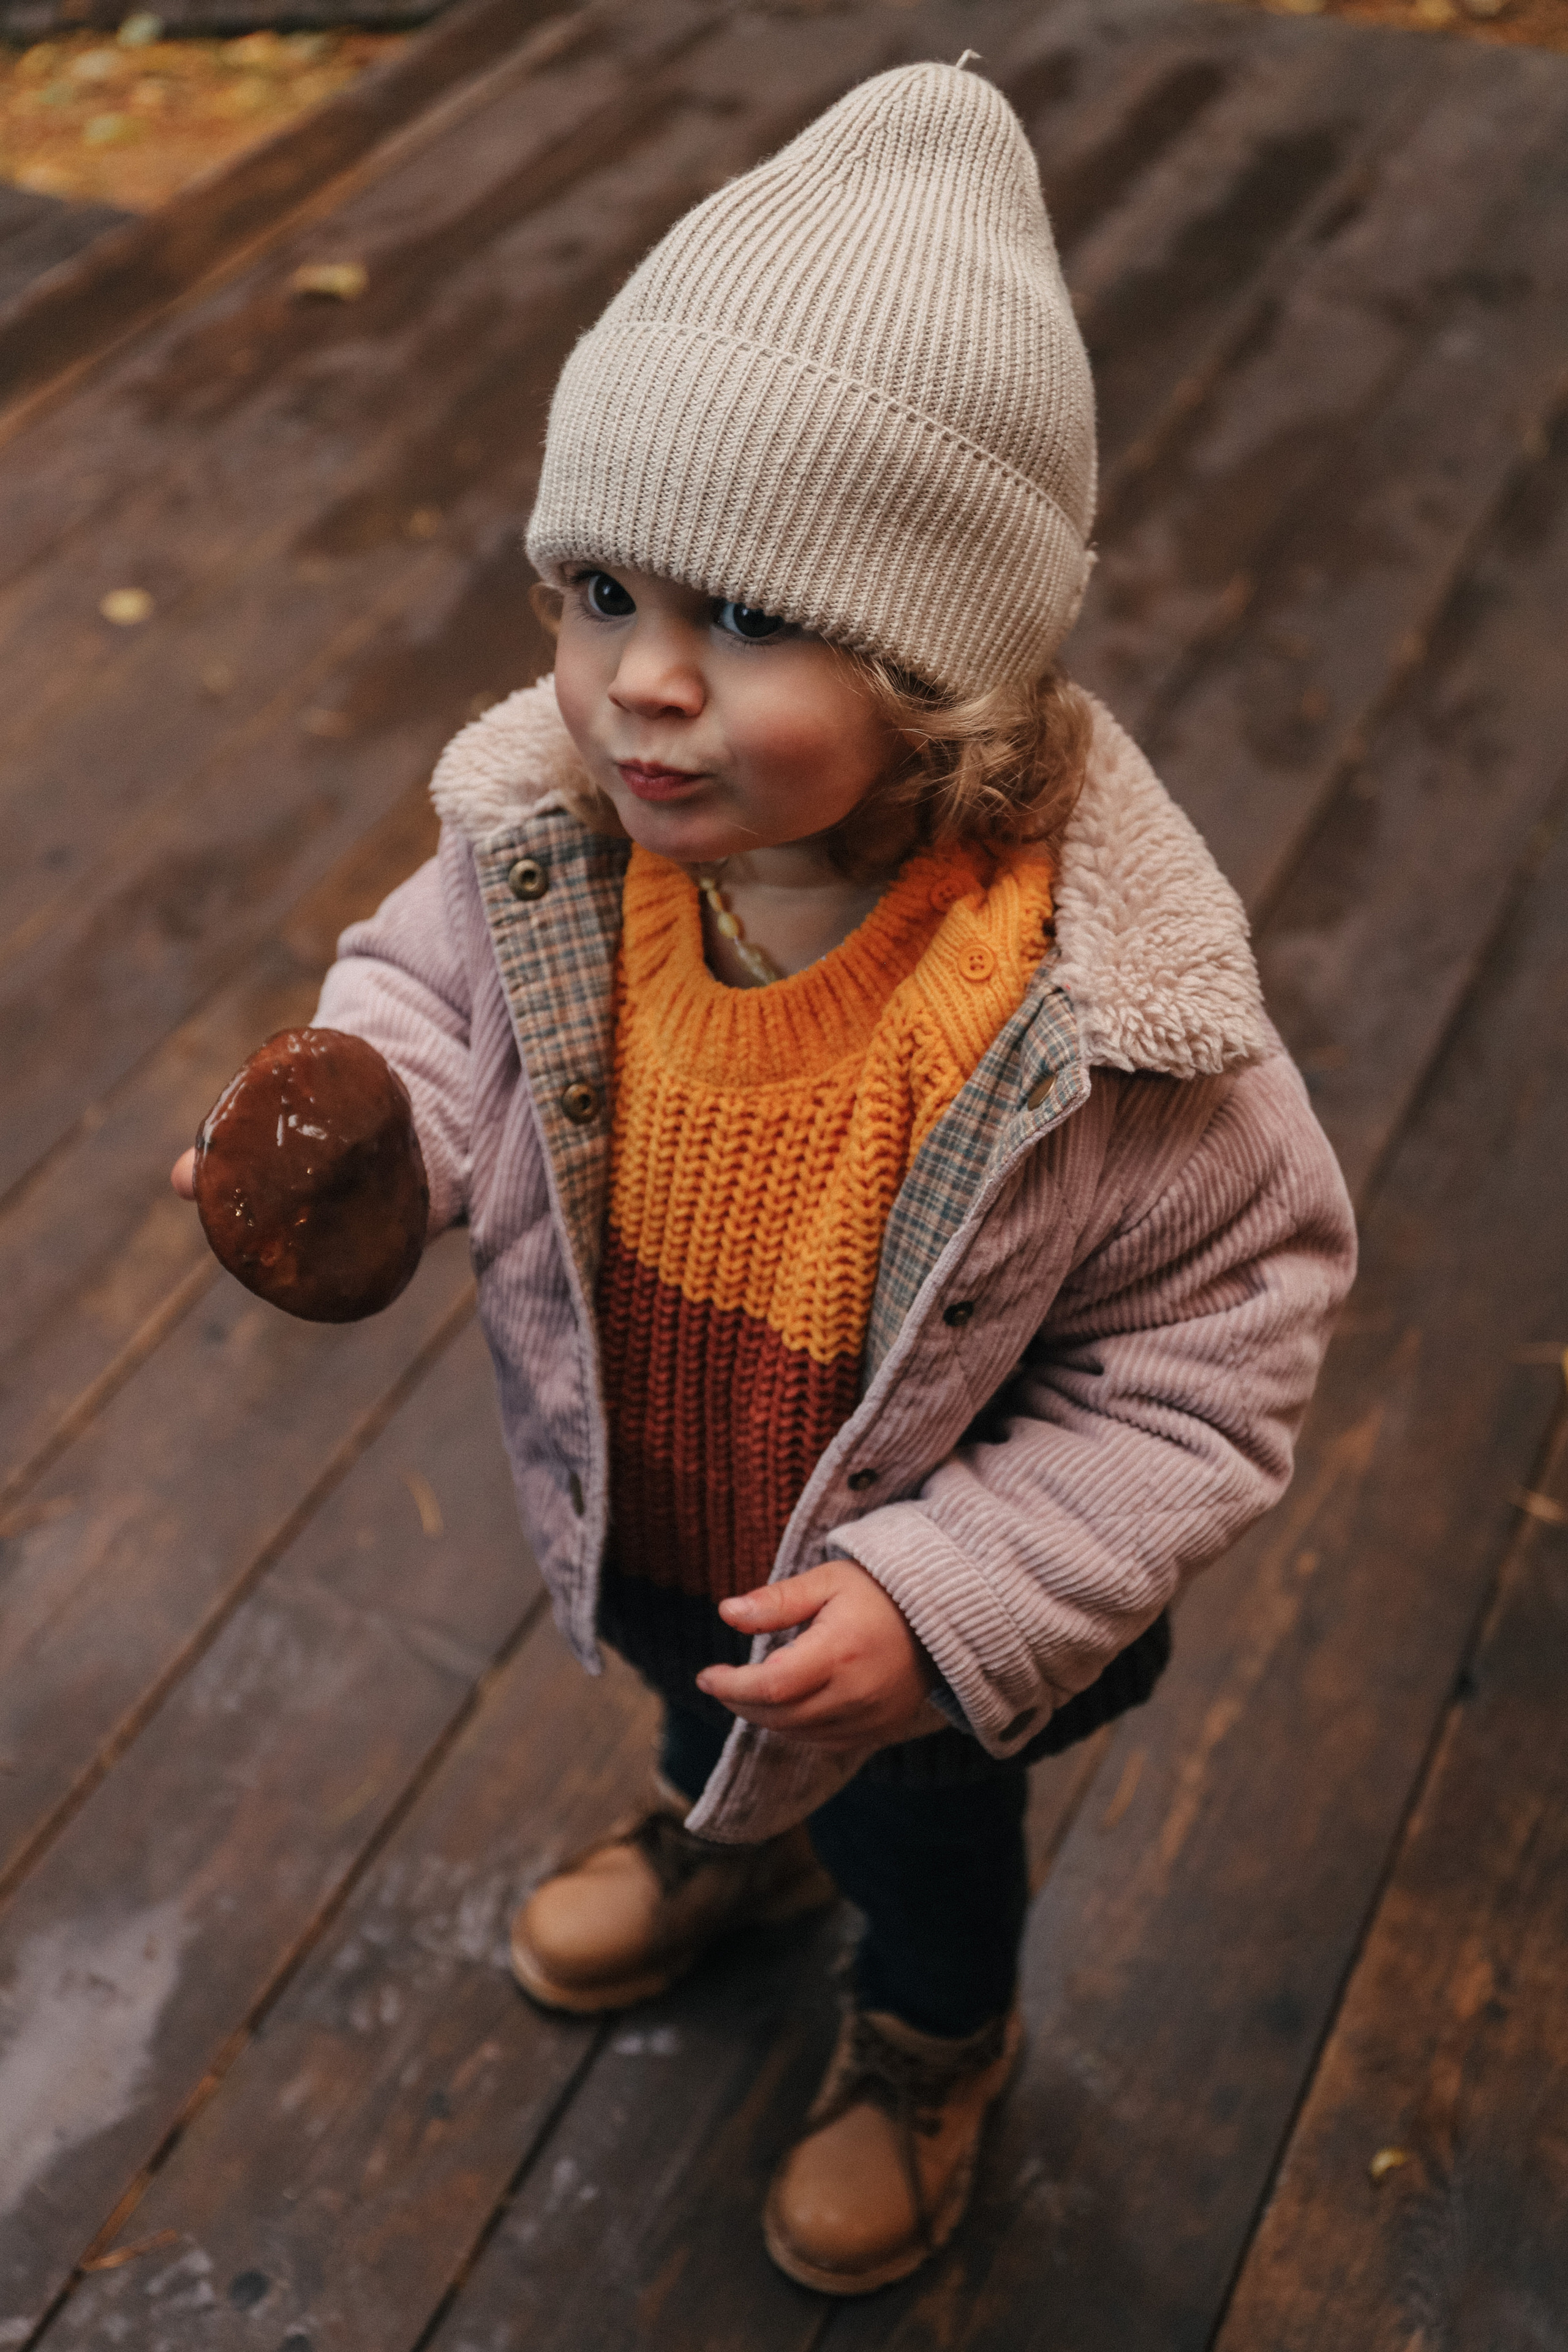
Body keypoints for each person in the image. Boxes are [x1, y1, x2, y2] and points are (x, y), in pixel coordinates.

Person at [175, 61, 1355, 2296]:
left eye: (749, 615)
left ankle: (928, 2030)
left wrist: (949, 1604)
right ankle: (735, 1843)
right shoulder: (555, 849)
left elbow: (1217, 1352)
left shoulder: (1090, 1021)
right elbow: (433, 996)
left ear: (942, 667)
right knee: (686, 1685)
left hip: (909, 1590)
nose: (643, 682)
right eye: (598, 584)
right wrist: (376, 1117)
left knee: (924, 1826)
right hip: (661, 1493)